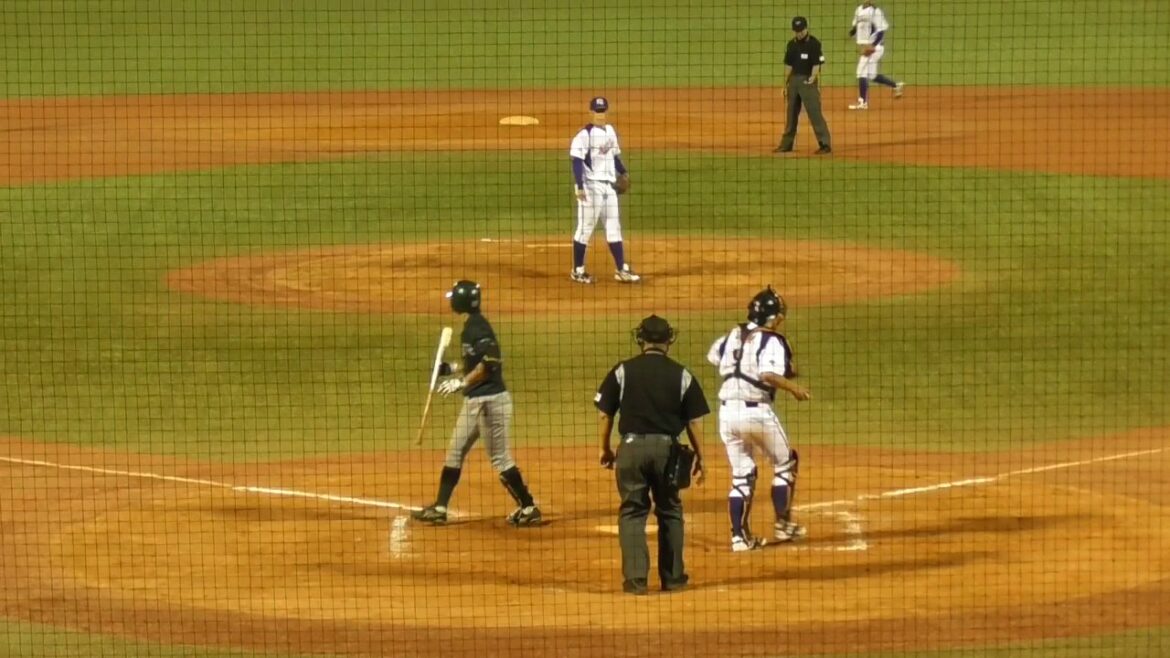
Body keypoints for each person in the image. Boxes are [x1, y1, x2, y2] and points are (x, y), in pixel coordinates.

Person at [411, 280, 542, 527]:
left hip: (491, 402)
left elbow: (490, 362)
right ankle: (440, 508)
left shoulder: (478, 327)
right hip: (474, 401)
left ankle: (528, 507)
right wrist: (450, 368)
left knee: (500, 458)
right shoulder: (471, 326)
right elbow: (474, 361)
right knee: (455, 450)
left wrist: (461, 382)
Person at [596, 315, 708, 594]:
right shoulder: (682, 374)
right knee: (670, 510)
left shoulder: (622, 371)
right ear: (669, 339)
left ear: (640, 338)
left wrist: (605, 448)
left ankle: (636, 581)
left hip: (631, 449)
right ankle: (673, 579)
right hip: (667, 451)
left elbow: (604, 413)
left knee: (632, 511)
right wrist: (701, 456)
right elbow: (694, 421)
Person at [706, 287, 811, 552]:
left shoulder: (732, 334)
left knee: (742, 475)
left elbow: (714, 356)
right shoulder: (772, 340)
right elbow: (767, 374)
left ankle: (739, 538)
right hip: (756, 414)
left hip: (727, 414)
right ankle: (783, 525)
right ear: (773, 317)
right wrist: (794, 388)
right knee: (785, 463)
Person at [568, 96, 641, 284]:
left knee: (614, 227)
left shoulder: (610, 131)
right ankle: (577, 270)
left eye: (602, 111)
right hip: (591, 187)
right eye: (597, 111)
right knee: (585, 228)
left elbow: (613, 156)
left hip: (609, 187)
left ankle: (621, 269)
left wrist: (623, 172)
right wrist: (580, 186)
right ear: (591, 112)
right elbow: (577, 161)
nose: (600, 115)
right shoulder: (584, 135)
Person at [774, 16, 832, 155]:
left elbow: (817, 64)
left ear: (806, 28)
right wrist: (785, 84)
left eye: (801, 30)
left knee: (815, 113)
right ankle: (786, 145)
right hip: (794, 82)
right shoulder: (791, 45)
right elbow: (788, 66)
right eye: (796, 31)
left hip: (808, 82)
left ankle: (824, 144)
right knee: (791, 114)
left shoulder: (814, 44)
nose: (799, 33)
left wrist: (813, 77)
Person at [848, 0, 906, 110]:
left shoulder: (876, 12)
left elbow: (881, 31)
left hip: (875, 48)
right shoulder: (858, 9)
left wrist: (872, 46)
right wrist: (852, 33)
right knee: (872, 75)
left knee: (861, 72)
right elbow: (857, 25)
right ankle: (896, 86)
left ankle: (863, 103)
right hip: (867, 47)